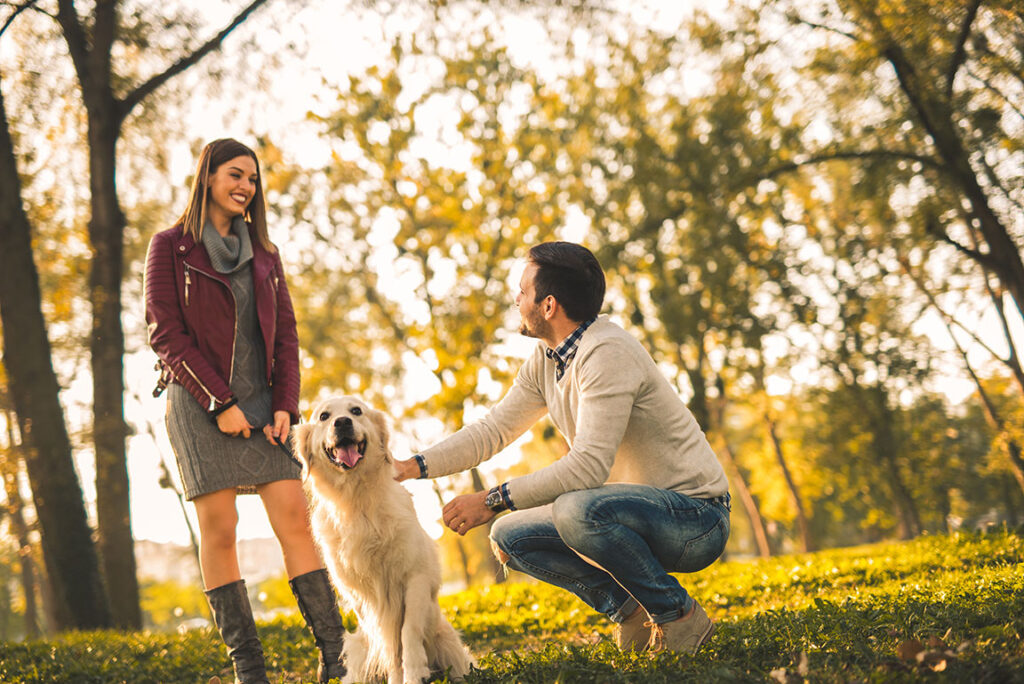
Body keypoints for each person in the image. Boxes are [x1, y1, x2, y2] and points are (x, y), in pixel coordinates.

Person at [395, 241, 730, 655]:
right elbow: (493, 429)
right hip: (629, 512)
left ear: (548, 305)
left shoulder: (606, 352)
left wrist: (492, 498)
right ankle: (632, 613)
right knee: (509, 535)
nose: (517, 299)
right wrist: (413, 466)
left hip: (695, 519)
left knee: (577, 510)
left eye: (522, 291)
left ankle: (677, 615)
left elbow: (586, 468)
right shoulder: (548, 358)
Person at [144, 138, 345, 684]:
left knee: (295, 521)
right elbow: (164, 333)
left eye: (252, 180)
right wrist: (219, 402)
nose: (245, 187)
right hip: (198, 401)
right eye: (235, 175)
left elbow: (286, 340)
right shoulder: (170, 247)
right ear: (207, 177)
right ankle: (249, 670)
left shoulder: (266, 256)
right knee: (221, 529)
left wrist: (286, 407)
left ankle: (336, 657)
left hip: (263, 406)